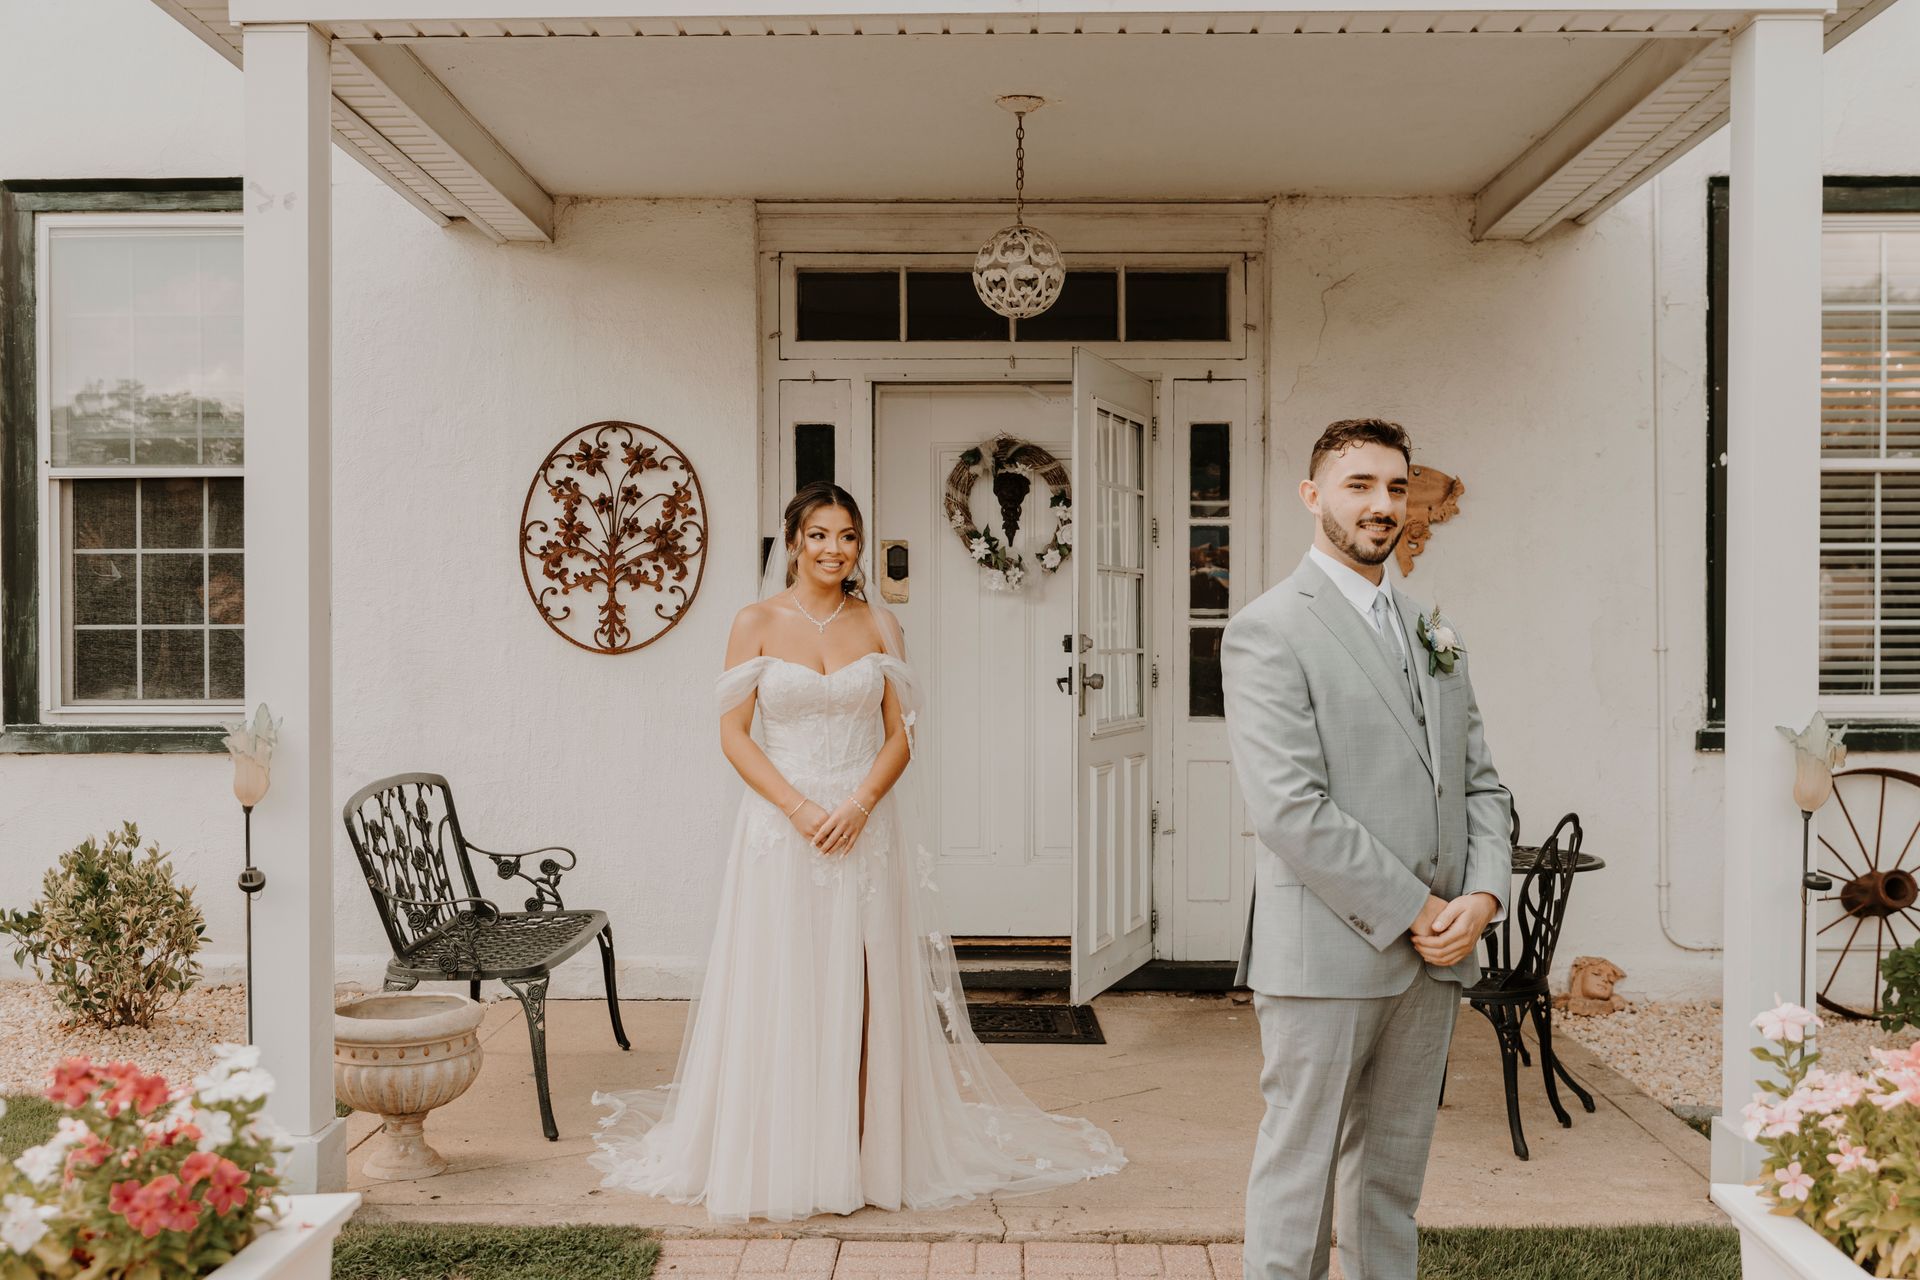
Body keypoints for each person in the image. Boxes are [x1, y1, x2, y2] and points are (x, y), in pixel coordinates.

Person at [590, 481, 1124, 1223]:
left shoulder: (879, 623)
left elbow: (904, 733)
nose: (834, 549)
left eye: (847, 536)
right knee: (784, 977)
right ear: (794, 540)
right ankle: (784, 1146)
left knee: (866, 983)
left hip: (864, 822)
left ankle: (867, 1149)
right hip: (781, 829)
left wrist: (859, 804)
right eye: (819, 535)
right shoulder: (755, 622)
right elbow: (733, 736)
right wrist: (802, 809)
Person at [1220, 419, 1510, 1280]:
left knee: (1391, 1181)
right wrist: (1420, 909)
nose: (1381, 505)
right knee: (1299, 1178)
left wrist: (1482, 900)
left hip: (1434, 957)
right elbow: (1289, 808)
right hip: (1327, 953)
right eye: (1359, 485)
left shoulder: (1433, 629)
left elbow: (1482, 783)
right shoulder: (1268, 629)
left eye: (1395, 487)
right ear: (1314, 497)